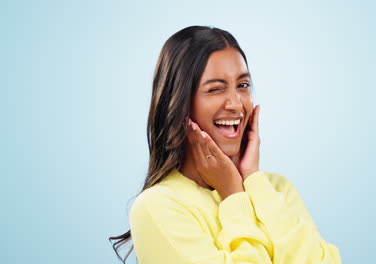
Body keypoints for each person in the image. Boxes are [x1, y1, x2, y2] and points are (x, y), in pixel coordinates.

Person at [109, 25, 341, 264]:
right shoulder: (159, 206)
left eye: (242, 85)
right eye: (216, 89)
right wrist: (232, 194)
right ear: (179, 103)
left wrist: (252, 179)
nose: (236, 104)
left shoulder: (276, 189)